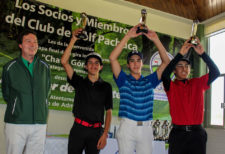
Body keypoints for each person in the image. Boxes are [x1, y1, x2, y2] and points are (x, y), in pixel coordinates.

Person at [109, 24, 170, 154]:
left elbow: (166, 63)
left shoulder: (150, 81)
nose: (135, 63)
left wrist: (156, 39)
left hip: (146, 129)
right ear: (128, 64)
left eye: (138, 60)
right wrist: (127, 36)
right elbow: (112, 58)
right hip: (127, 127)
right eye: (132, 61)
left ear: (142, 63)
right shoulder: (123, 79)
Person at [161, 38, 220, 154]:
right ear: (174, 71)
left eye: (187, 66)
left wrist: (202, 54)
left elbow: (215, 72)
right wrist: (180, 53)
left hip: (197, 134)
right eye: (180, 65)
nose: (184, 68)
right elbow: (164, 75)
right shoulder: (171, 86)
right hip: (178, 135)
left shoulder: (198, 83)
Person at [61, 28, 113, 154]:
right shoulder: (78, 81)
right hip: (78, 129)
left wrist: (105, 134)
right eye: (90, 63)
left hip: (96, 132)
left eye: (96, 63)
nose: (93, 65)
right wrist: (73, 39)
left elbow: (109, 112)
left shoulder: (107, 86)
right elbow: (64, 61)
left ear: (100, 67)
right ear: (85, 66)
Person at [1, 29, 51, 154]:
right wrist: (18, 106)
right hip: (16, 122)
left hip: (39, 123)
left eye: (35, 42)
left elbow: (47, 91)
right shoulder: (10, 67)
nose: (33, 44)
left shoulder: (45, 67)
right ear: (20, 45)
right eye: (28, 41)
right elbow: (7, 94)